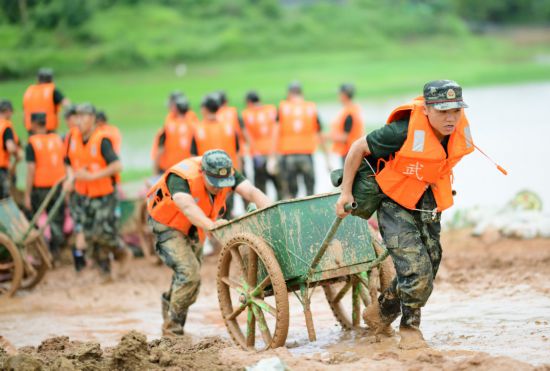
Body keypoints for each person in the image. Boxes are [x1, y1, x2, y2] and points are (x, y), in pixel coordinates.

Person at [335, 80, 474, 349]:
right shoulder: (400, 131)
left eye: (455, 111)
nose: (450, 118)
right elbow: (356, 148)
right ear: (427, 110)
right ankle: (410, 330)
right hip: (394, 201)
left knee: (430, 264)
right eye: (443, 111)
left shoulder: (455, 131)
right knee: (416, 270)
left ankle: (383, 311)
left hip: (428, 201)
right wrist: (345, 193)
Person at [146, 149, 272, 336]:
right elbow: (187, 207)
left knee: (190, 278)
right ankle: (172, 329)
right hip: (167, 225)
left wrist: (272, 212)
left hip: (195, 226)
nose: (219, 188)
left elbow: (252, 192)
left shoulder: (227, 171)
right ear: (203, 173)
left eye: (224, 184)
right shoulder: (180, 178)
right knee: (189, 275)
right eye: (215, 184)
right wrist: (212, 226)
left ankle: (169, 306)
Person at [69, 103, 130, 280]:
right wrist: (70, 178)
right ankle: (104, 271)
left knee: (104, 234)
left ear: (93, 119)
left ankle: (121, 251)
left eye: (83, 116)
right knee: (88, 235)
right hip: (84, 194)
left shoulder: (102, 140)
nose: (79, 120)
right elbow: (69, 162)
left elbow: (117, 165)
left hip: (104, 194)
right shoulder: (73, 139)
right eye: (77, 116)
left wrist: (93, 176)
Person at [24, 113, 69, 261]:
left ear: (34, 124)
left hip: (40, 187)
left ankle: (42, 250)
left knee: (34, 219)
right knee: (57, 219)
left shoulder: (32, 143)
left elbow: (31, 169)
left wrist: (27, 194)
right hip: (58, 186)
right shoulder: (57, 139)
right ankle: (56, 252)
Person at [274, 81, 328, 199]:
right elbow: (320, 134)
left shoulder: (283, 107)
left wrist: (273, 157)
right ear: (301, 92)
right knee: (310, 192)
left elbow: (276, 132)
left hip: (288, 156)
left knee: (291, 195)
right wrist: (327, 159)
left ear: (289, 93)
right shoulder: (311, 107)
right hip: (306, 155)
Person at [241, 91, 281, 199]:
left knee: (260, 187)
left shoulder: (247, 114)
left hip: (258, 154)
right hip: (273, 152)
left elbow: (245, 135)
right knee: (279, 186)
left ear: (249, 102)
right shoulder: (271, 110)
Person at [152, 91, 198, 174]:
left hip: (171, 169)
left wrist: (155, 173)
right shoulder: (195, 123)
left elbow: (159, 150)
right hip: (189, 169)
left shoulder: (169, 125)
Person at [23, 68, 70, 133]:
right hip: (48, 129)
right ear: (51, 79)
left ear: (38, 79)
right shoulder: (52, 90)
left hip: (32, 129)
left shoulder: (29, 91)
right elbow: (67, 104)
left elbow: (24, 111)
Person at [329, 84, 364, 166]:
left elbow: (346, 137)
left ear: (344, 95)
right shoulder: (354, 109)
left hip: (349, 153)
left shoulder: (349, 113)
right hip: (353, 152)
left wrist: (328, 137)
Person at [216, 91, 246, 168]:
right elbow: (243, 130)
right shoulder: (233, 111)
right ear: (226, 101)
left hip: (221, 152)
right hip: (239, 150)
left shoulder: (215, 114)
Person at [0, 100, 20, 199]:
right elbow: (10, 147)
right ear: (7, 111)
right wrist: (17, 154)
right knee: (5, 201)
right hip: (1, 170)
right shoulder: (5, 126)